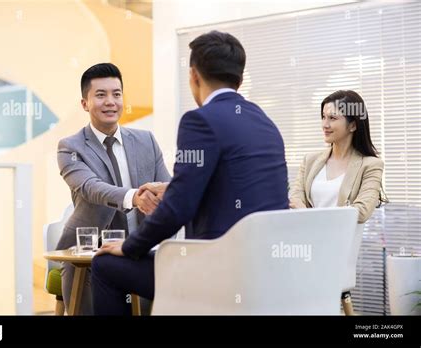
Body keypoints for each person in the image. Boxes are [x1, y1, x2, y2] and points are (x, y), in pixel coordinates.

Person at [91, 30, 289, 315]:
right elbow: (230, 187)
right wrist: (172, 189)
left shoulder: (200, 121)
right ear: (240, 79)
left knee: (105, 266)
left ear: (194, 76)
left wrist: (130, 246)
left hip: (214, 274)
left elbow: (178, 210)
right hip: (264, 272)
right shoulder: (265, 123)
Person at [56, 63, 171, 315]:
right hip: (88, 257)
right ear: (85, 103)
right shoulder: (70, 147)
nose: (110, 101)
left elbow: (168, 192)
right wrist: (134, 197)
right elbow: (90, 188)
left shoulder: (146, 141)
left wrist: (163, 191)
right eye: (101, 95)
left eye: (116, 94)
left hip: (143, 252)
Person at [289, 89, 386, 315]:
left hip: (336, 252)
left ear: (353, 125)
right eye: (323, 117)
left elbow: (360, 212)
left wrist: (306, 214)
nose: (325, 124)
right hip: (302, 246)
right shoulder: (311, 160)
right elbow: (294, 198)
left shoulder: (370, 165)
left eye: (333, 118)